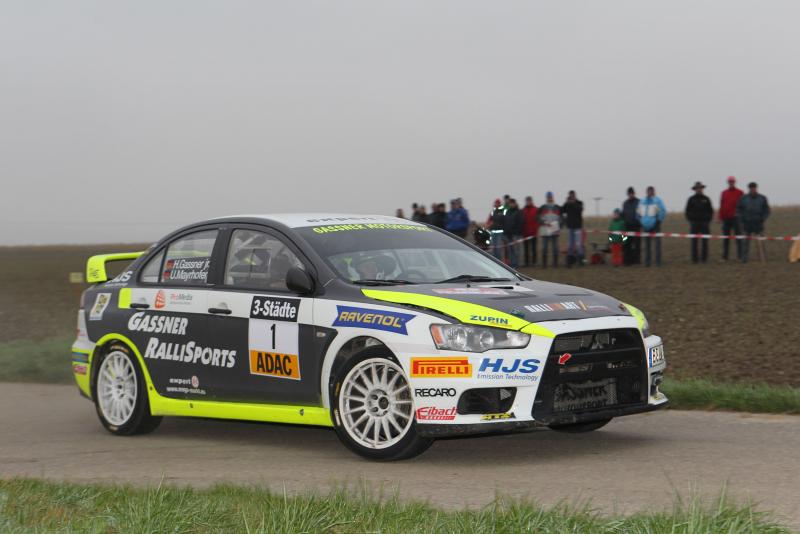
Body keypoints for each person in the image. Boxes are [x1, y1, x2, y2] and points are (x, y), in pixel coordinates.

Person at [737, 182, 770, 263]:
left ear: (756, 188)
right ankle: (744, 259)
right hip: (746, 224)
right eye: (751, 188)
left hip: (758, 223)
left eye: (754, 188)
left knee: (760, 242)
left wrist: (762, 219)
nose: (752, 189)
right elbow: (738, 210)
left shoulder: (762, 198)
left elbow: (767, 210)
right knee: (745, 243)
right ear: (749, 188)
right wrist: (742, 220)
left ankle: (762, 258)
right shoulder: (743, 198)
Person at [685, 181, 714, 263]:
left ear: (702, 189)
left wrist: (707, 220)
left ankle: (704, 259)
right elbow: (687, 212)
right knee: (694, 242)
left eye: (700, 188)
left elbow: (711, 211)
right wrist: (691, 220)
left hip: (705, 223)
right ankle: (694, 259)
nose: (699, 189)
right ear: (695, 189)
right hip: (694, 223)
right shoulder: (691, 199)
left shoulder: (706, 199)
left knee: (705, 241)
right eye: (697, 188)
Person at [637, 186, 666, 267]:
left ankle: (658, 262)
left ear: (653, 192)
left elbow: (662, 211)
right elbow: (638, 212)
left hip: (655, 225)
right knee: (646, 245)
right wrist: (640, 221)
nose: (650, 193)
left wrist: (658, 221)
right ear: (646, 192)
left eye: (651, 191)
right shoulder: (642, 202)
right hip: (645, 226)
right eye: (648, 191)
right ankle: (647, 262)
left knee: (657, 244)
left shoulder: (657, 201)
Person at [719, 176, 744, 261]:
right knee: (726, 239)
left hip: (736, 219)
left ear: (734, 182)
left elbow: (743, 205)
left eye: (732, 181)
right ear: (728, 182)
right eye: (730, 181)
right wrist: (720, 217)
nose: (731, 183)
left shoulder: (740, 192)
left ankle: (740, 256)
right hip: (726, 219)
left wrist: (741, 216)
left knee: (738, 238)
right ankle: (725, 257)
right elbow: (722, 205)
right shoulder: (724, 193)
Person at [538, 192, 562, 268]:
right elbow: (537, 217)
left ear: (553, 197)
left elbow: (561, 218)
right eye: (548, 197)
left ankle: (555, 264)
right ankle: (544, 264)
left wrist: (559, 225)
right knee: (544, 248)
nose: (549, 198)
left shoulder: (557, 207)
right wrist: (544, 222)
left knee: (555, 248)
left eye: (550, 197)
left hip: (555, 231)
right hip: (545, 231)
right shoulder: (542, 207)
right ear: (546, 198)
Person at [562, 190, 584, 267]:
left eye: (573, 195)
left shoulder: (579, 203)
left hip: (577, 226)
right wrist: (566, 203)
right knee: (570, 245)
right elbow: (562, 211)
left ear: (575, 195)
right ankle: (570, 261)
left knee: (578, 244)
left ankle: (581, 261)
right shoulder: (567, 204)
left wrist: (574, 203)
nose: (572, 197)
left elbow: (580, 210)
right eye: (570, 195)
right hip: (570, 227)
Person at [621, 187, 641, 265]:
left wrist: (641, 224)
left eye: (632, 193)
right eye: (629, 193)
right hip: (627, 227)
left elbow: (641, 214)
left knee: (637, 245)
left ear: (634, 193)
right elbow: (623, 214)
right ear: (628, 194)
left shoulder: (639, 202)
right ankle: (627, 260)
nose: (630, 195)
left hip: (637, 227)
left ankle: (637, 260)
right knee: (626, 244)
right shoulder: (625, 203)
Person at [504, 198, 524, 268]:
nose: (511, 204)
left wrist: (514, 232)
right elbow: (506, 222)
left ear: (515, 203)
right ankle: (511, 264)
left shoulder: (519, 212)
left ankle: (516, 264)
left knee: (516, 250)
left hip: (516, 234)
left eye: (512, 203)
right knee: (510, 250)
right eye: (510, 203)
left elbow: (520, 223)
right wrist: (506, 232)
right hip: (508, 235)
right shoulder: (508, 212)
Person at [521, 196, 539, 266]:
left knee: (534, 248)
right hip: (525, 232)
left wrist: (536, 229)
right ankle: (526, 262)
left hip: (533, 232)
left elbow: (538, 220)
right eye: (527, 201)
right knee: (526, 249)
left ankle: (534, 262)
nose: (528, 202)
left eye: (529, 201)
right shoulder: (523, 210)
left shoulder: (536, 209)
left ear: (531, 201)